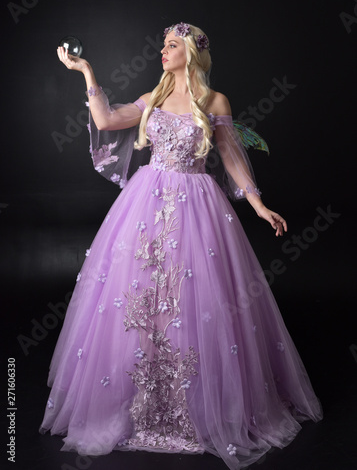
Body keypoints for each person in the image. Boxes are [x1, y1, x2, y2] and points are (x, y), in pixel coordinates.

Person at [40, 23, 322, 470]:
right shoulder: (152, 97)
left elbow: (230, 156)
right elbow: (106, 120)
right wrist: (87, 72)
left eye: (171, 46)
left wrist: (259, 205)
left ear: (190, 53)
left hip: (198, 205)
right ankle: (138, 400)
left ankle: (193, 406)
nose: (162, 53)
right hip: (147, 202)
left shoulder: (214, 102)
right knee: (138, 298)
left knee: (195, 301)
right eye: (163, 46)